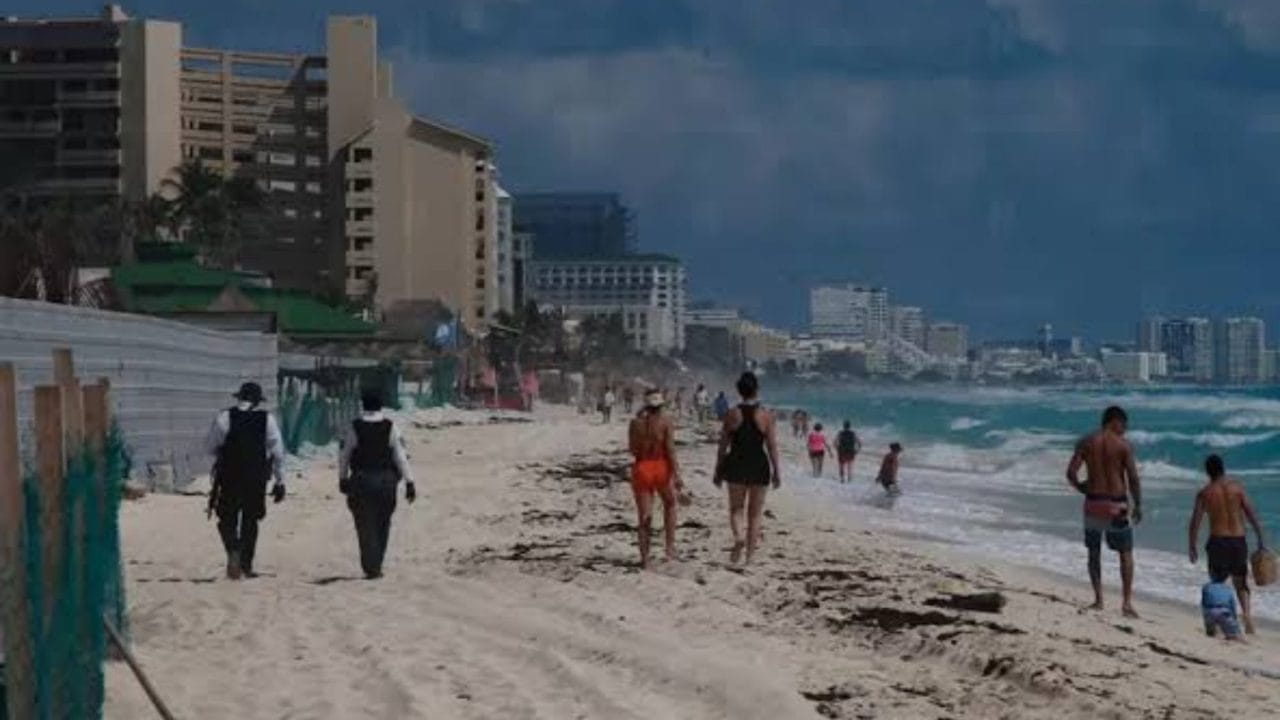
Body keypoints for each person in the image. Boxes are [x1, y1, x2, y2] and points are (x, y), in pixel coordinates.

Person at [1066, 405, 1143, 618]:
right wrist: (1138, 505)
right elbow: (1133, 479)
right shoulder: (1123, 446)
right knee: (1125, 553)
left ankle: (1099, 599)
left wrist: (1083, 488)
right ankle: (1126, 603)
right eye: (1124, 425)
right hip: (1117, 505)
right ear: (1115, 421)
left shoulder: (1086, 442)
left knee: (1094, 552)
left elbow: (1071, 473)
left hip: (1093, 503)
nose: (1125, 430)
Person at [205, 382, 287, 580]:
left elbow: (209, 447)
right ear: (258, 401)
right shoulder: (266, 419)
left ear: (239, 398)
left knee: (226, 518)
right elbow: (278, 453)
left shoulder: (224, 417)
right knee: (251, 520)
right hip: (256, 476)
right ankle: (246, 565)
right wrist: (280, 481)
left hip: (229, 476)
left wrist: (225, 455)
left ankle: (233, 549)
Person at [339, 390, 416, 579]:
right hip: (386, 482)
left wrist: (342, 478)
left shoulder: (354, 427)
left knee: (364, 525)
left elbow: (345, 455)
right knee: (383, 523)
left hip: (361, 481)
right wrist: (410, 482)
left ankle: (370, 566)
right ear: (381, 406)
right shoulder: (390, 427)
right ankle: (377, 564)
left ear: (363, 406)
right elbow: (400, 457)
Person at [1188, 454, 1267, 635]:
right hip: (1238, 540)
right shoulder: (1237, 489)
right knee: (1241, 582)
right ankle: (1247, 616)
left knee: (1218, 582)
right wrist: (1260, 537)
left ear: (1208, 472)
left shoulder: (1205, 493)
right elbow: (1251, 513)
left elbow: (1195, 522)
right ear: (1223, 469)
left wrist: (1192, 545)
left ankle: (1222, 619)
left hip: (1218, 541)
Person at [715, 372, 781, 565]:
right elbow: (772, 446)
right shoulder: (766, 415)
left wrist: (718, 471)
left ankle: (738, 538)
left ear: (739, 390)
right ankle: (750, 558)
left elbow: (722, 446)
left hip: (736, 464)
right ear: (757, 390)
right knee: (755, 514)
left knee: (736, 508)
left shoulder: (731, 414)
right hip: (758, 465)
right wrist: (777, 471)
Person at [628, 389, 684, 569]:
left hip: (642, 467)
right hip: (660, 466)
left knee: (645, 516)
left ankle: (645, 558)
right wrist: (677, 474)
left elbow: (633, 449)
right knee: (670, 503)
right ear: (660, 405)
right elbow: (670, 449)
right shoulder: (665, 422)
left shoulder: (635, 423)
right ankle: (669, 548)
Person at [1201, 569, 1246, 642]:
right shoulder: (1228, 588)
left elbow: (1204, 602)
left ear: (1211, 575)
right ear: (1226, 578)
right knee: (1235, 632)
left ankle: (1211, 633)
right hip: (1224, 612)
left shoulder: (1207, 586)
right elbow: (1232, 605)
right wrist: (1234, 618)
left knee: (1210, 629)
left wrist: (1205, 616)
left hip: (1210, 611)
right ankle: (1234, 636)